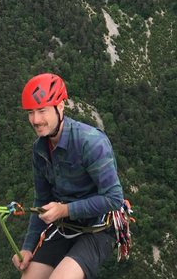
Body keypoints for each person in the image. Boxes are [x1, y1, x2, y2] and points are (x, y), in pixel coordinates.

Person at [12, 73, 124, 279]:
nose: (35, 120)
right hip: (66, 226)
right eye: (30, 112)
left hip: (100, 227)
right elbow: (42, 200)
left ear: (60, 107)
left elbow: (114, 199)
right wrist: (27, 248)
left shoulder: (90, 143)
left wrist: (64, 209)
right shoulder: (39, 150)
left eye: (42, 111)